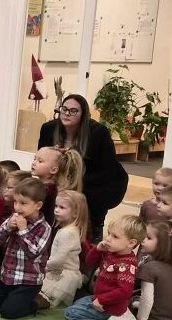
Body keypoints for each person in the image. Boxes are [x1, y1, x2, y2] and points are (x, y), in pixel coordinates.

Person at [38, 94, 128, 240]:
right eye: (64, 109)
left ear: (83, 114)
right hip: (59, 179)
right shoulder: (49, 128)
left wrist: (73, 182)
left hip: (92, 181)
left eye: (73, 111)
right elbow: (42, 157)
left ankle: (93, 231)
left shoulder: (98, 133)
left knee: (87, 198)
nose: (67, 113)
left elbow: (107, 170)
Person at [0, 178, 52, 319]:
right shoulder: (13, 218)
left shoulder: (44, 228)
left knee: (8, 312)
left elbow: (33, 252)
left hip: (28, 282)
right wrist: (8, 227)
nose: (17, 207)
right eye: (15, 202)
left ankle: (37, 302)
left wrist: (23, 230)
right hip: (7, 278)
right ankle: (14, 298)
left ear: (38, 205)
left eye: (23, 203)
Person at [64, 215, 144, 320]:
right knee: (76, 302)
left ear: (131, 243)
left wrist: (101, 300)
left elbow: (125, 291)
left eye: (115, 236)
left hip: (110, 306)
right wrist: (97, 250)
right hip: (100, 297)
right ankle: (120, 314)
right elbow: (90, 262)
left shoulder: (126, 264)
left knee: (70, 314)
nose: (108, 239)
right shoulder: (111, 252)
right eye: (109, 233)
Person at [37, 190, 88, 309]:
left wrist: (42, 267)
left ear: (75, 213)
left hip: (62, 275)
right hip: (58, 271)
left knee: (40, 296)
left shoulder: (67, 233)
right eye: (56, 206)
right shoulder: (71, 230)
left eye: (62, 207)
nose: (56, 210)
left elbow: (58, 260)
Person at [30, 146, 84, 227]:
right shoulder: (46, 187)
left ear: (54, 170)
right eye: (34, 159)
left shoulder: (47, 190)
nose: (34, 163)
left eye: (40, 161)